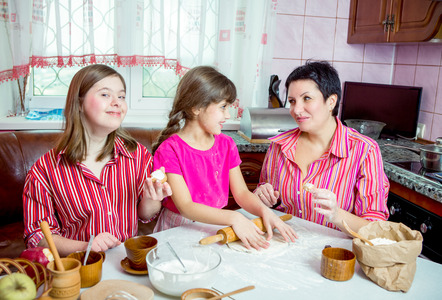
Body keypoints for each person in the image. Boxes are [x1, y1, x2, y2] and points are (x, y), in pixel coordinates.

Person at [23, 64, 172, 256]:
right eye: (105, 94)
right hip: (83, 267)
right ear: (78, 103)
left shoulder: (138, 155)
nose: (117, 102)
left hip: (128, 262)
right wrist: (86, 247)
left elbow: (145, 215)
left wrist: (152, 199)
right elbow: (37, 236)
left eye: (121, 96)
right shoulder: (44, 169)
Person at [152, 66, 297, 250]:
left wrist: (264, 211)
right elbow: (186, 207)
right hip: (177, 228)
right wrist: (235, 217)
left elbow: (242, 194)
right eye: (223, 107)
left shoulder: (226, 144)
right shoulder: (170, 149)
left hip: (214, 223)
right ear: (196, 107)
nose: (228, 115)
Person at [255, 61, 389, 234]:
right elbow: (266, 196)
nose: (296, 109)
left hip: (335, 254)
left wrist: (337, 215)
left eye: (307, 98)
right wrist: (263, 195)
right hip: (283, 245)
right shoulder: (279, 146)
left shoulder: (364, 150)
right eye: (292, 101)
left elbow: (376, 227)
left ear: (331, 101)